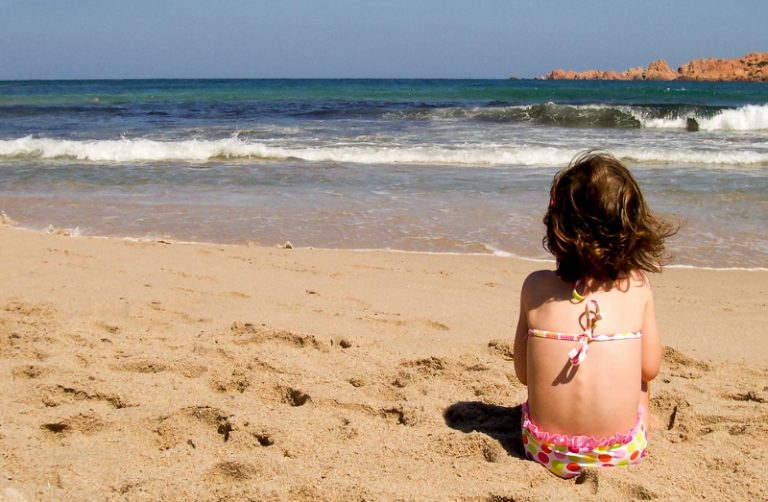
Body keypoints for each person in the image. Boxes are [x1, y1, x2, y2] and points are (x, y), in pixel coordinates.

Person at [513, 151, 676, 479]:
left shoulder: (534, 287)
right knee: (641, 379)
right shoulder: (637, 287)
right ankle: (642, 424)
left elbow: (524, 374)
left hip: (543, 451)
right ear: (630, 227)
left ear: (557, 226)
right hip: (620, 454)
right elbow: (651, 367)